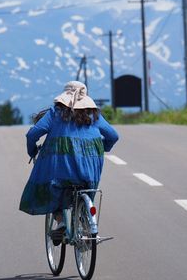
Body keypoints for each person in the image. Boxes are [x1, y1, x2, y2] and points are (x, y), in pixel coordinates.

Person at [19, 81, 119, 242]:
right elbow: (113, 136)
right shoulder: (94, 115)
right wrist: (103, 148)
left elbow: (33, 134)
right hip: (90, 168)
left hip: (63, 168)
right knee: (87, 189)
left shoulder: (55, 112)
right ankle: (86, 221)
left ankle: (60, 222)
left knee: (55, 187)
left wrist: (32, 151)